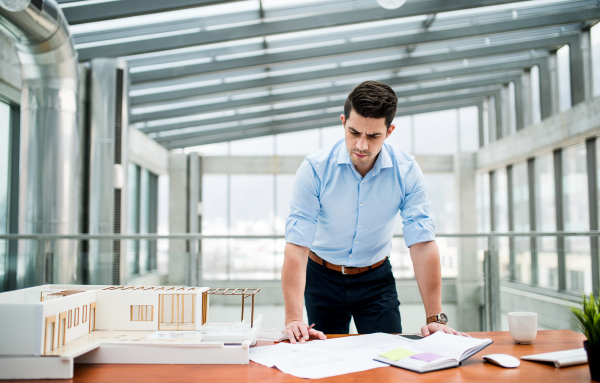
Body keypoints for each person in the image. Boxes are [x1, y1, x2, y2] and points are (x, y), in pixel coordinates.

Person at [281, 80, 468, 344]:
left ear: (389, 131)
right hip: (321, 278)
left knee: (390, 358)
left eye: (373, 136)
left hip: (375, 279)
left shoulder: (406, 171)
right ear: (343, 121)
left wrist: (434, 318)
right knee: (322, 360)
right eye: (354, 132)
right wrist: (293, 318)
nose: (361, 145)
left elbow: (423, 242)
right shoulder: (314, 169)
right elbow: (297, 244)